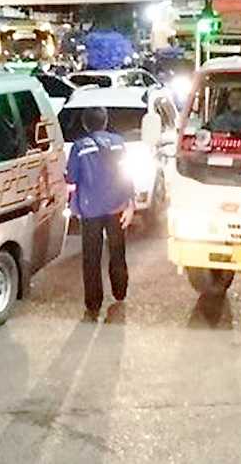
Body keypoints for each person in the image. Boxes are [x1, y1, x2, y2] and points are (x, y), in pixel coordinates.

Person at [65, 106, 134, 321]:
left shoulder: (79, 147)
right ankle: (120, 292)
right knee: (117, 250)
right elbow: (126, 173)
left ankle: (93, 302)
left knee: (91, 257)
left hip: (90, 209)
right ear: (105, 122)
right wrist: (130, 202)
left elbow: (72, 180)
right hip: (116, 205)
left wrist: (72, 204)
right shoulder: (119, 143)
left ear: (85, 124)